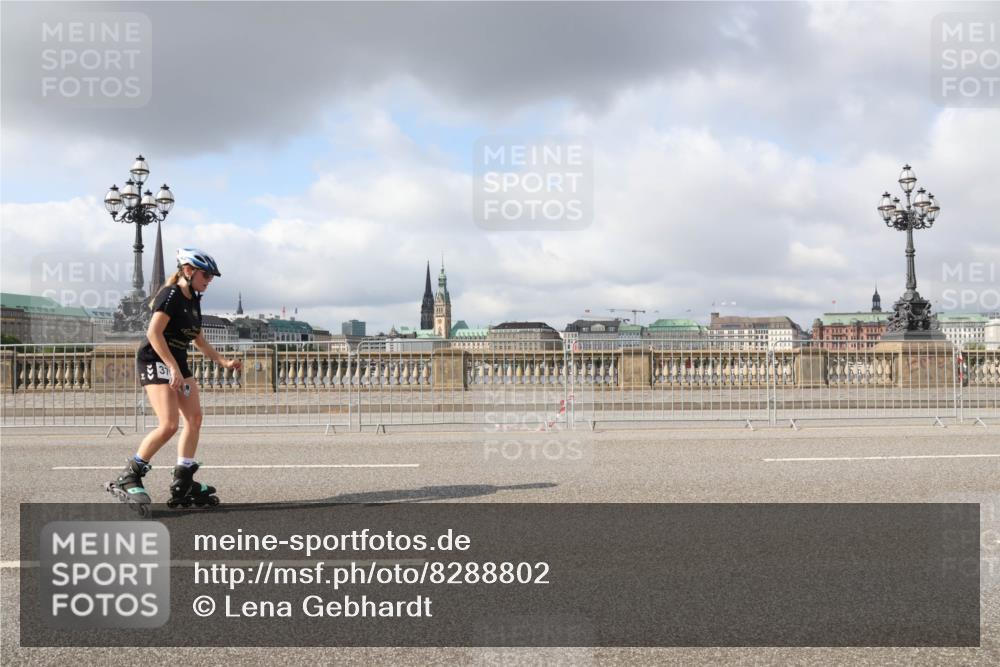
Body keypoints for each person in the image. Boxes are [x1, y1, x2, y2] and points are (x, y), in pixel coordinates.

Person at [106, 248, 242, 511]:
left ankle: (183, 480)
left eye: (211, 276)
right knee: (169, 424)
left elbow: (199, 339)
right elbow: (153, 333)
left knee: (195, 419)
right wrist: (171, 367)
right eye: (206, 275)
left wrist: (223, 361)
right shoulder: (171, 295)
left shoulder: (193, 299)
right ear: (188, 271)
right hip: (155, 359)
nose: (209, 280)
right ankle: (129, 475)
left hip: (176, 362)